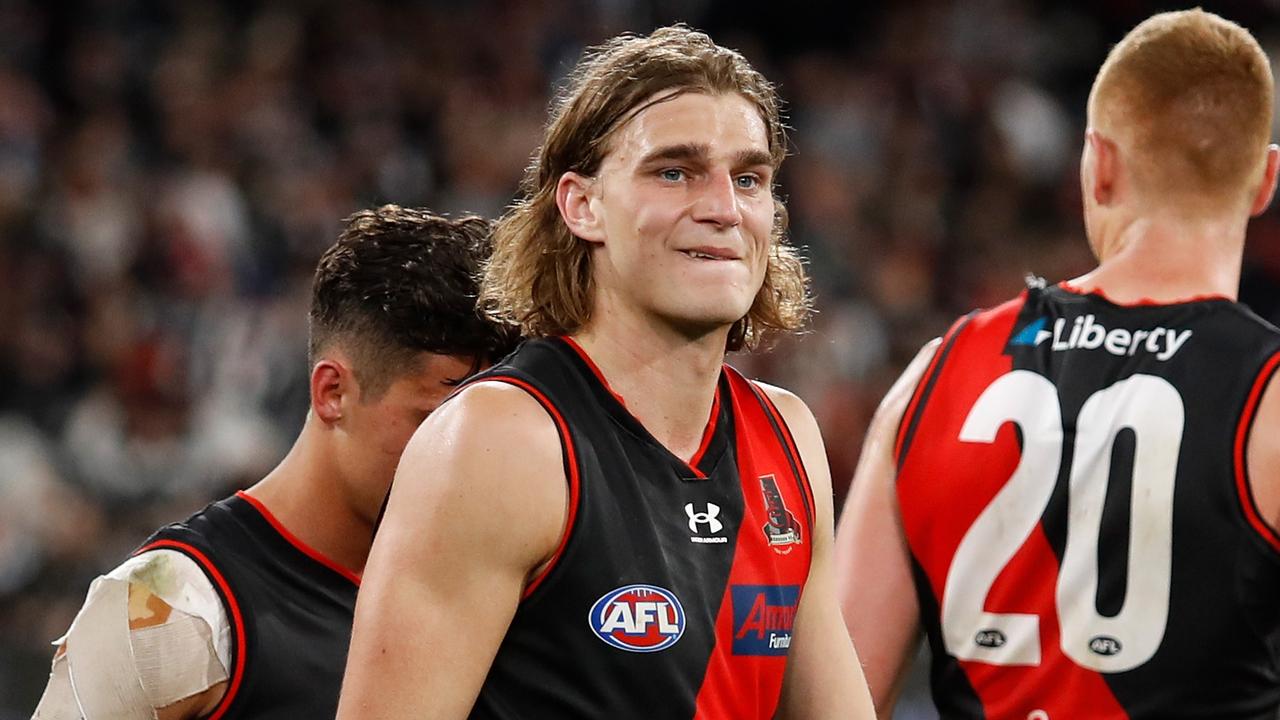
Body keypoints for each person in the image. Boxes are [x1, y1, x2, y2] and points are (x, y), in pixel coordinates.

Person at [338, 25, 875, 720]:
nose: (721, 208)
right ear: (582, 205)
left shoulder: (786, 436)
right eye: (673, 171)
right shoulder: (499, 443)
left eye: (748, 179)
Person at [836, 9, 1280, 720]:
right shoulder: (1268, 400)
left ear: (1098, 164)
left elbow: (836, 697)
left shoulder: (937, 373)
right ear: (1265, 180)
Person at [32, 205, 518, 720]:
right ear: (333, 392)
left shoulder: (503, 600)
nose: (470, 458)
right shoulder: (175, 609)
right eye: (436, 422)